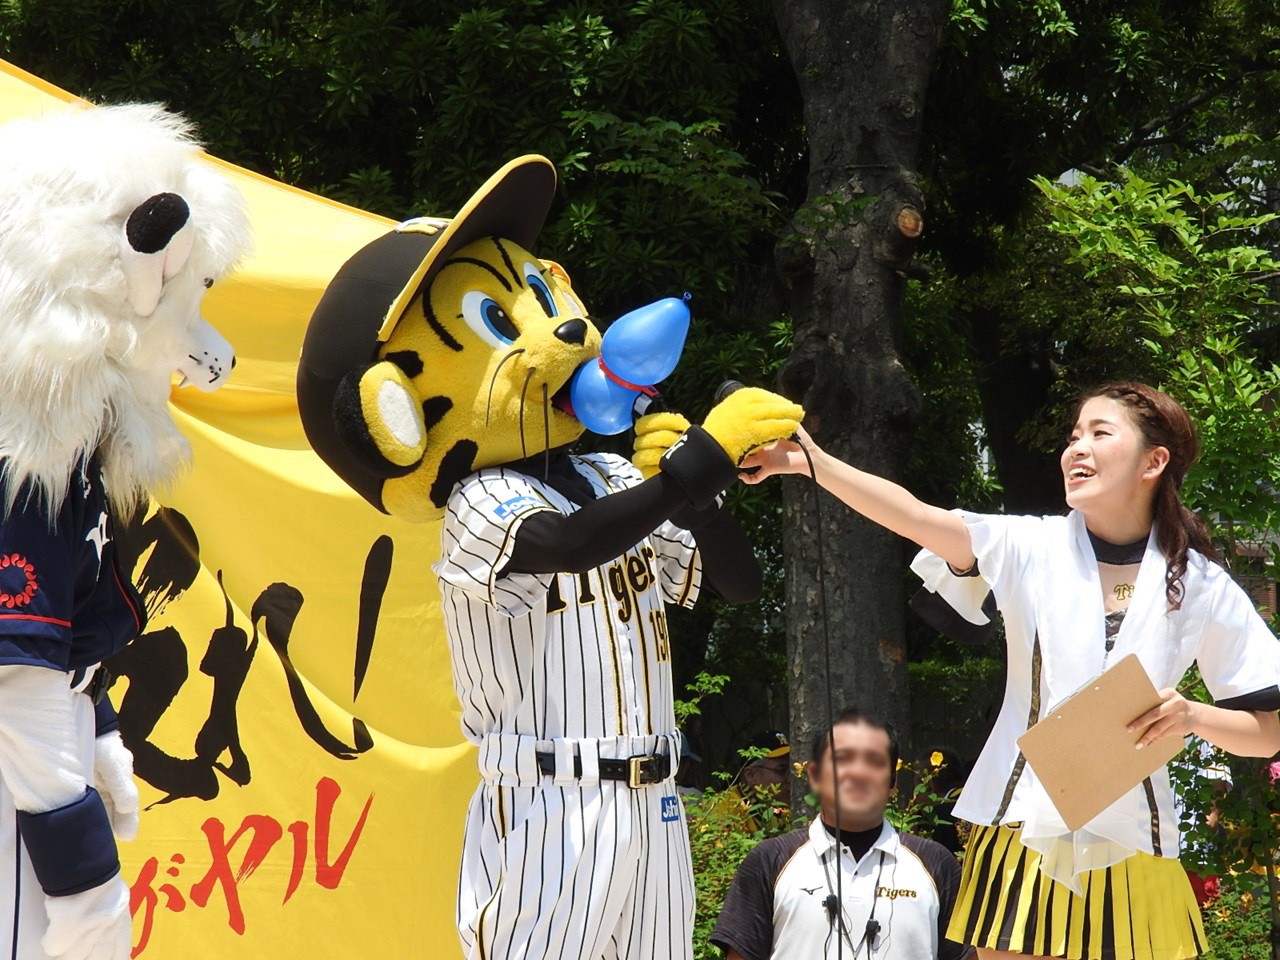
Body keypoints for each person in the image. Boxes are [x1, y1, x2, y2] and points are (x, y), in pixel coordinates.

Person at [741, 382, 1280, 960]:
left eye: (1100, 433)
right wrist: (812, 464)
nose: (1076, 448)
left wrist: (1192, 716)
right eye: (1074, 436)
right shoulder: (1028, 545)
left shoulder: (1199, 581)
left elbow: (1268, 732)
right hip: (1022, 825)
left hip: (1134, 841)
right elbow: (914, 516)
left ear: (1155, 462)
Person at [711, 709, 971, 960]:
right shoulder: (770, 861)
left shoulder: (936, 864)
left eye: (873, 761)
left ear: (893, 782)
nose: (857, 773)